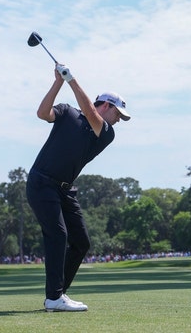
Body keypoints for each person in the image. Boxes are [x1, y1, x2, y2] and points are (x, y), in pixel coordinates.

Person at [27, 66, 131, 312]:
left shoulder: (105, 132)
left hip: (64, 190)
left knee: (81, 242)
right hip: (42, 182)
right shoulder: (67, 112)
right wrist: (59, 83)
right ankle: (54, 297)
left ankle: (58, 293)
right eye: (118, 113)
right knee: (58, 234)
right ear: (106, 105)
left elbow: (90, 114)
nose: (119, 120)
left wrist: (72, 80)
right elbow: (43, 113)